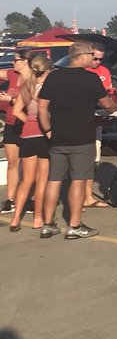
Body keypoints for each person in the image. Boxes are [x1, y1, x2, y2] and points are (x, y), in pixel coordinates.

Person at [37, 40, 117, 240]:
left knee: (54, 180)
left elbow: (42, 107)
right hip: (82, 137)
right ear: (83, 56)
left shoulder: (53, 77)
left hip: (58, 137)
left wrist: (47, 129)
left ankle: (48, 224)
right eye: (91, 55)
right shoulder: (90, 78)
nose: (93, 59)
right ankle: (74, 225)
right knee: (78, 181)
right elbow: (107, 105)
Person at [8, 53, 53, 232]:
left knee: (26, 180)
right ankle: (38, 218)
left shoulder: (26, 86)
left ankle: (16, 217)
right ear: (47, 70)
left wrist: (28, 120)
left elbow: (16, 111)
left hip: (27, 135)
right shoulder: (48, 88)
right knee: (41, 180)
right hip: (44, 134)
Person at [82, 45, 115, 209]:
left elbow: (106, 94)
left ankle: (87, 196)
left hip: (97, 119)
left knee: (93, 159)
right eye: (95, 58)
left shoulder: (104, 71)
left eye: (100, 59)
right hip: (81, 120)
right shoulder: (82, 72)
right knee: (79, 162)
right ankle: (79, 196)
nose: (97, 62)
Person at [0, 54, 28, 214]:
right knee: (12, 162)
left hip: (26, 124)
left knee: (29, 165)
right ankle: (10, 199)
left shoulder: (32, 79)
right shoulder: (12, 74)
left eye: (16, 60)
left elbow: (32, 101)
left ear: (25, 62)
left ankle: (29, 199)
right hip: (12, 123)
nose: (13, 62)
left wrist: (12, 99)